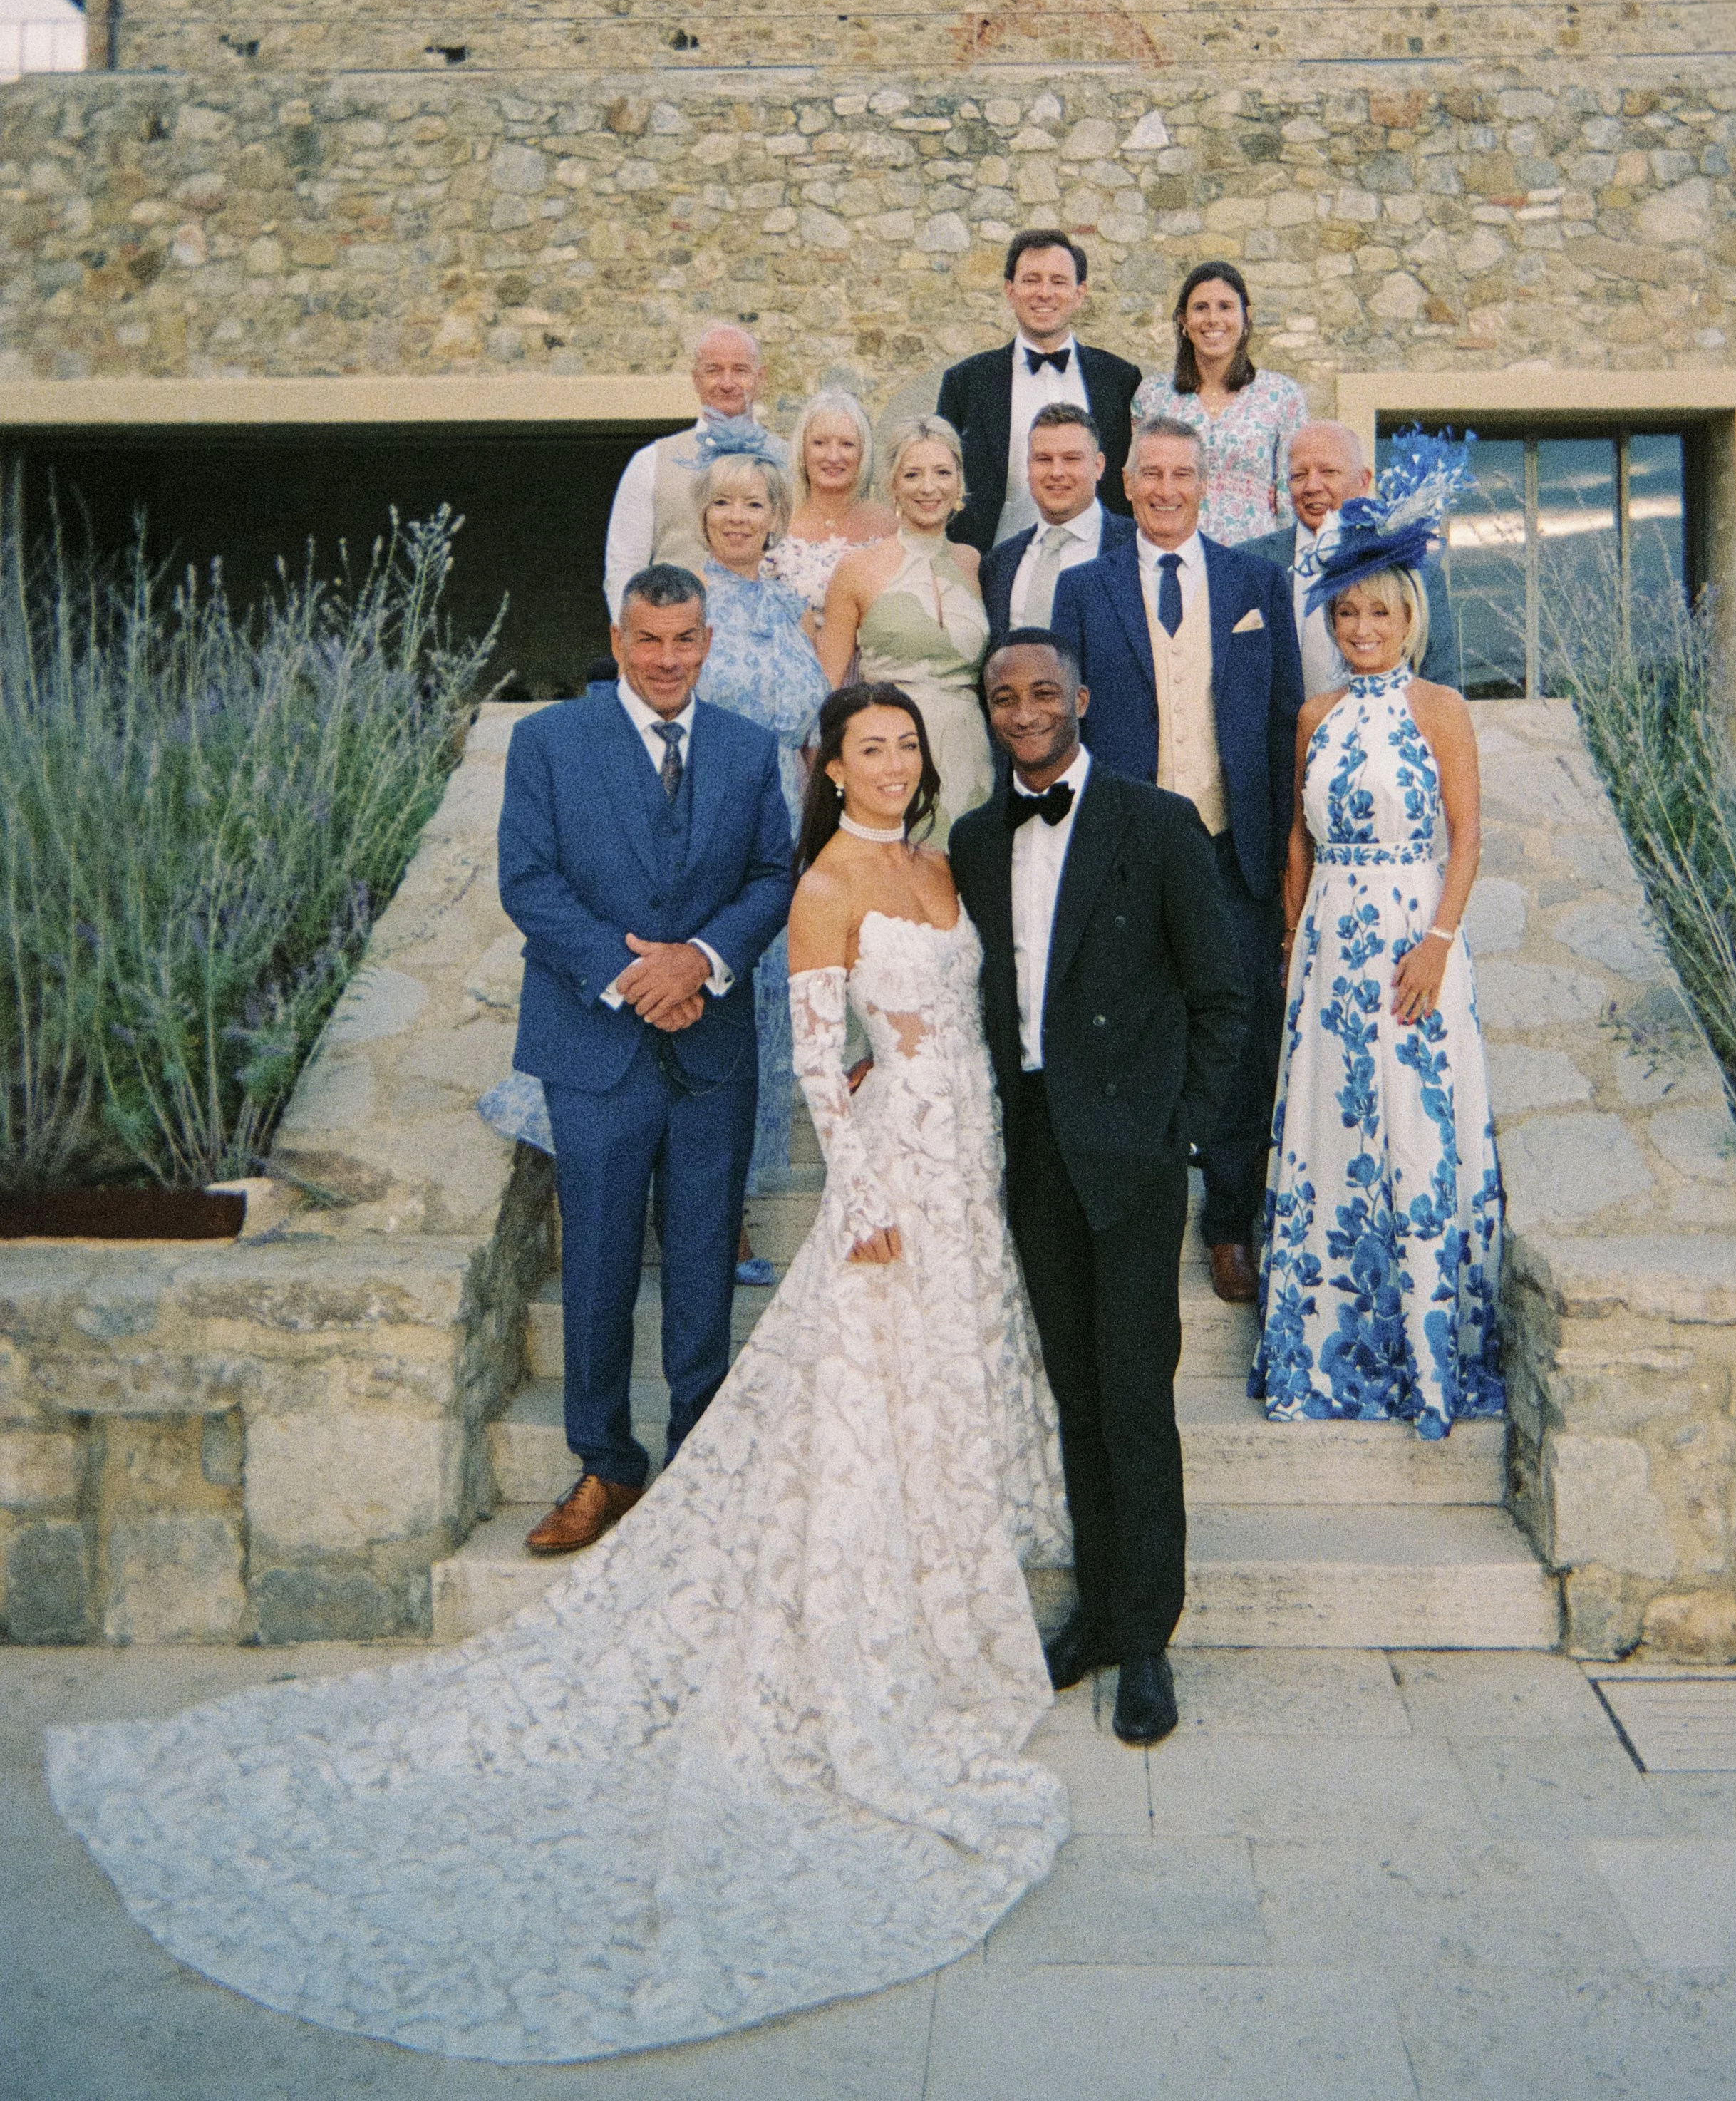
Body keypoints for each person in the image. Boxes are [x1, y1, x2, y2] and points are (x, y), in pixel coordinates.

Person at [46, 682, 1074, 2065]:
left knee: (947, 1359)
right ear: (832, 765)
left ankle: (950, 1554)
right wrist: (865, 1185)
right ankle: (643, 1479)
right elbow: (823, 1062)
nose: (890, 762)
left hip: (971, 1158)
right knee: (803, 1343)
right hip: (891, 1165)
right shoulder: (826, 871)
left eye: (904, 745)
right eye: (867, 747)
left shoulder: (940, 865)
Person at [952, 632, 1248, 1748]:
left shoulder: (1156, 821)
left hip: (1128, 1149)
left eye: (1042, 691)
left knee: (1134, 1397)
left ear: (1082, 697)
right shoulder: (979, 840)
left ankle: (1149, 1636)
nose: (1023, 711)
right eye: (1003, 696)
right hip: (1029, 1145)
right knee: (1074, 1390)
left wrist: (1178, 1131)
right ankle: (1094, 1607)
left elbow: (1223, 1000)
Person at [498, 562, 794, 1557]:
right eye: (647, 639)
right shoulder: (545, 741)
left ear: (708, 642)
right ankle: (606, 1463)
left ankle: (701, 1460)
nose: (666, 659)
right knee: (599, 1260)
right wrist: (632, 978)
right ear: (619, 640)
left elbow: (769, 876)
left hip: (710, 1042)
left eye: (684, 639)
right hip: (596, 1043)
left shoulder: (751, 751)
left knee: (707, 1255)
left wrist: (699, 962)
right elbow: (529, 882)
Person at [1251, 449, 1506, 1438]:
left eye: (1381, 615)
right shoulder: (1313, 715)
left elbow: (1469, 834)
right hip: (1327, 951)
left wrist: (1439, 940)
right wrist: (1290, 948)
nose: (1362, 629)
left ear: (1411, 621)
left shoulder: (1439, 709)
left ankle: (1428, 1350)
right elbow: (1296, 846)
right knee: (1333, 1129)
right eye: (1348, 614)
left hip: (1412, 932)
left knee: (1415, 1125)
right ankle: (1329, 1344)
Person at [1050, 420, 1301, 1305]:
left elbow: (1278, 725)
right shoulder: (1081, 589)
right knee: (1122, 1026)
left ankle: (1230, 1222)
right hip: (1124, 846)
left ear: (1206, 484)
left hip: (1232, 844)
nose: (1165, 488)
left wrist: (1278, 862)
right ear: (1124, 482)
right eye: (1149, 473)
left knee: (1235, 1035)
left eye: (1181, 474)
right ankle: (1126, 1215)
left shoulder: (1256, 582)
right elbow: (1058, 723)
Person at [691, 448, 829, 1207]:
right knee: (715, 1001)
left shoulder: (789, 608)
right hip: (711, 817)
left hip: (784, 824)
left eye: (753, 504)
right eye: (723, 503)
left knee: (768, 1011)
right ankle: (704, 1199)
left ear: (776, 516)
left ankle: (742, 1194)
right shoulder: (685, 603)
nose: (738, 517)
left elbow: (811, 729)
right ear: (702, 517)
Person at [819, 415, 993, 841]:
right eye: (912, 474)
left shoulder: (975, 564)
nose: (928, 487)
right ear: (893, 486)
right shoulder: (857, 570)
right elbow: (824, 686)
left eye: (942, 473)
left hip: (972, 754)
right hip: (891, 757)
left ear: (958, 484)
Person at [937, 229, 1142, 554]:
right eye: (1032, 280)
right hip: (993, 567)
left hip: (1102, 566)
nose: (1044, 293)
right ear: (1010, 290)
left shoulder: (1119, 380)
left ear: (1080, 292)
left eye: (1058, 281)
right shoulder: (966, 383)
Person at [1251, 419, 1461, 693]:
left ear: (1364, 481)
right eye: (1299, 475)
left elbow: (1440, 682)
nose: (1312, 486)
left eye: (1329, 471)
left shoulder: (1413, 567)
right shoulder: (1251, 563)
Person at [601, 322, 787, 620]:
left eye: (740, 370)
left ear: (760, 379)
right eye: (714, 370)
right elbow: (624, 567)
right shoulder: (651, 461)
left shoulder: (790, 461)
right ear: (696, 379)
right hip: (676, 648)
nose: (727, 382)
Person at [1130, 260, 1307, 544]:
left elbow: (1290, 493)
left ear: (1246, 316)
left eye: (1225, 307)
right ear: (1183, 320)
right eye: (1201, 308)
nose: (1213, 319)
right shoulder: (1153, 396)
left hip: (1254, 555)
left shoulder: (1282, 396)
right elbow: (1139, 485)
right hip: (1173, 549)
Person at [978, 400, 1137, 641]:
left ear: (1098, 466)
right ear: (1028, 467)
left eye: (1071, 459)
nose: (1057, 472)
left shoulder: (1137, 546)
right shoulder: (999, 563)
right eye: (1043, 459)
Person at [765, 383, 894, 611]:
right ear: (802, 451)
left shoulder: (891, 528)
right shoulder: (773, 525)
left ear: (862, 453)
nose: (833, 456)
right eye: (820, 443)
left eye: (847, 444)